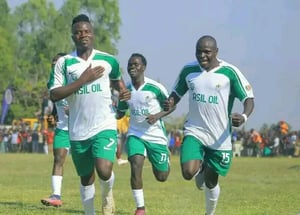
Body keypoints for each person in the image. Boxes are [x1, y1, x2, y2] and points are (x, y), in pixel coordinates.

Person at [47, 14, 130, 215]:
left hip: (104, 124)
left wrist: (123, 102)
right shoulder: (64, 63)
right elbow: (54, 94)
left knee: (104, 169)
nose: (83, 35)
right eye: (78, 32)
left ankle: (107, 193)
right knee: (86, 178)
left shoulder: (108, 60)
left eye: (86, 31)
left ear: (92, 34)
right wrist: (83, 79)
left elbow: (119, 86)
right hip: (77, 130)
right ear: (73, 36)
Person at [163, 35, 254, 215]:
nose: (202, 55)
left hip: (220, 137)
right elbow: (176, 93)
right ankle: (199, 168)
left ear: (216, 52)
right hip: (194, 130)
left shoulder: (229, 73)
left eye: (207, 52)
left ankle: (209, 213)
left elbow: (248, 99)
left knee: (211, 182)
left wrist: (243, 116)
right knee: (188, 172)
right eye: (199, 52)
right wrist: (170, 102)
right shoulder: (189, 70)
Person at [116, 53, 174, 215]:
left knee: (161, 176)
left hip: (156, 136)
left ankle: (165, 161)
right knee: (135, 165)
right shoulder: (125, 90)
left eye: (136, 64)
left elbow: (171, 106)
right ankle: (140, 208)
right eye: (130, 65)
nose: (132, 67)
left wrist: (157, 116)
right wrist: (114, 105)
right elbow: (119, 114)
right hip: (135, 134)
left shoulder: (155, 87)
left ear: (144, 67)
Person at [41, 53, 70, 207]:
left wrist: (74, 110)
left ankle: (106, 192)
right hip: (63, 128)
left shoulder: (74, 78)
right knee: (58, 159)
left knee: (95, 166)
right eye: (52, 63)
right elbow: (55, 99)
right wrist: (53, 114)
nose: (53, 65)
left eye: (56, 63)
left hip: (82, 128)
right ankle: (56, 195)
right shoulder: (52, 82)